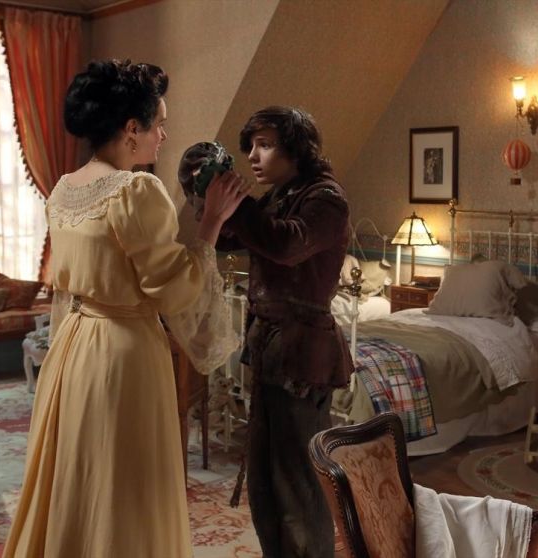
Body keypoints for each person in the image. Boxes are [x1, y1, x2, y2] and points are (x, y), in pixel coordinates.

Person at [3, 59, 248, 558]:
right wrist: (212, 222)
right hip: (124, 353)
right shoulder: (136, 190)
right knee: (126, 479)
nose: (164, 135)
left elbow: (70, 289)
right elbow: (173, 289)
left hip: (73, 347)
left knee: (81, 469)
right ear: (132, 128)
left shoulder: (63, 190)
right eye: (158, 124)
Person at [213, 106, 352, 558]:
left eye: (266, 145)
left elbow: (286, 244)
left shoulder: (325, 199)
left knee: (298, 482)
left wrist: (240, 205)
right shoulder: (280, 195)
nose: (254, 156)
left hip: (303, 356)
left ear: (295, 148)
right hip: (271, 349)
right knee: (265, 479)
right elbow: (227, 239)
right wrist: (209, 194)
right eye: (251, 146)